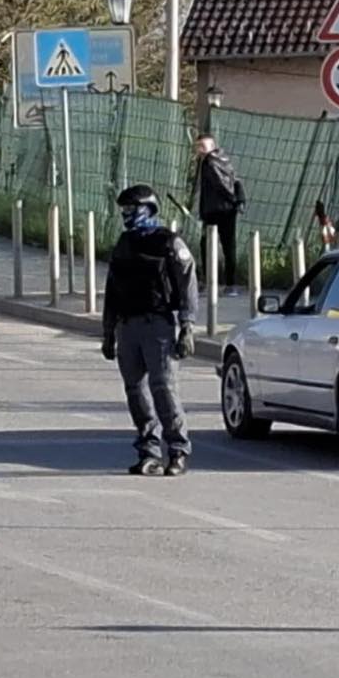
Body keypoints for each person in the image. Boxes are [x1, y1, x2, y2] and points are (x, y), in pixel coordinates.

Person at [101, 184, 197, 476]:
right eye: (124, 210)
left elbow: (187, 284)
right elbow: (112, 290)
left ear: (148, 209)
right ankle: (148, 451)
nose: (126, 215)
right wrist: (108, 331)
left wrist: (187, 326)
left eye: (131, 209)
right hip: (127, 327)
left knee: (163, 388)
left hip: (158, 325)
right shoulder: (124, 243)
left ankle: (178, 450)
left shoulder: (168, 242)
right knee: (136, 391)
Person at [194, 133, 246, 297]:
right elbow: (236, 180)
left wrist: (231, 199)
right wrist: (238, 200)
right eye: (198, 146)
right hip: (229, 211)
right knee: (229, 246)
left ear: (211, 146)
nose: (199, 150)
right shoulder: (225, 159)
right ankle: (231, 284)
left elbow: (220, 184)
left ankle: (208, 283)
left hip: (214, 211)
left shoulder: (208, 162)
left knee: (207, 246)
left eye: (202, 146)